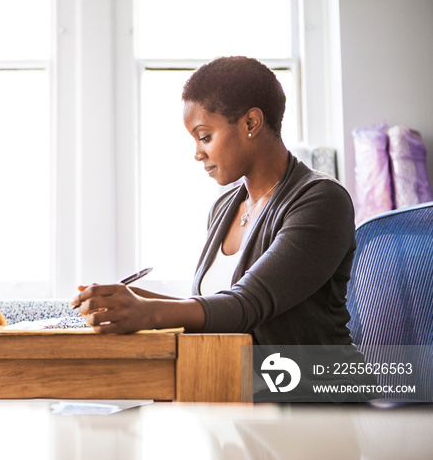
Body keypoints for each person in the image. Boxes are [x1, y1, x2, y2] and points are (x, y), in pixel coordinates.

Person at [70, 56, 358, 348]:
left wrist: (148, 311)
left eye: (204, 137)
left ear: (251, 122)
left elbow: (246, 305)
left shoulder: (321, 201)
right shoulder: (224, 208)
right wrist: (131, 300)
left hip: (307, 387)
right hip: (238, 382)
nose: (198, 153)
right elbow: (215, 311)